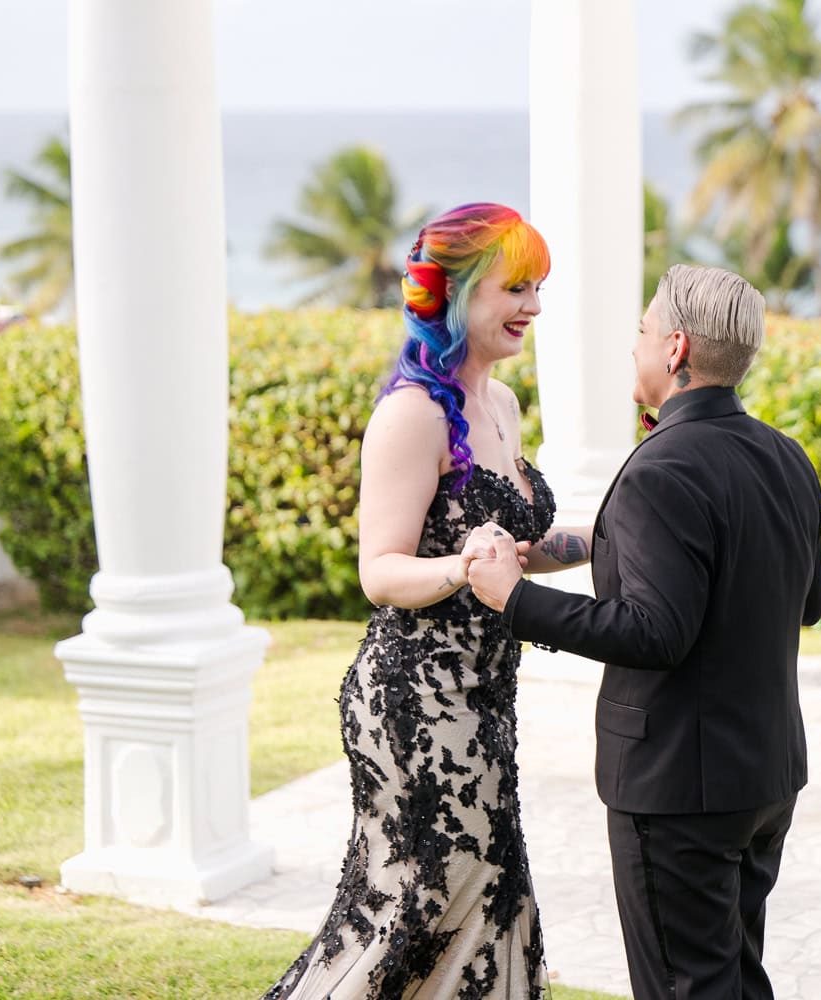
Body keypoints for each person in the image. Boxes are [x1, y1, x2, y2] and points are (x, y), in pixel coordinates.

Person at [467, 264, 821, 1000]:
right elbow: (807, 599)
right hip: (763, 777)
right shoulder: (786, 457)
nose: (632, 346)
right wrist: (567, 547)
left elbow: (654, 632)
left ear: (675, 349)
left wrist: (514, 598)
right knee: (734, 980)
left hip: (678, 790)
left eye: (640, 330)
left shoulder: (664, 467)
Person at [261, 203, 591, 1000]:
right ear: (459, 291)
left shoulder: (503, 406)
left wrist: (608, 535)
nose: (534, 309)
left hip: (484, 699)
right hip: (415, 702)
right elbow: (380, 572)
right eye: (516, 288)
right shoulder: (410, 413)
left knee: (492, 901)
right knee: (413, 911)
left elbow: (512, 554)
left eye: (539, 288)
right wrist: (459, 568)